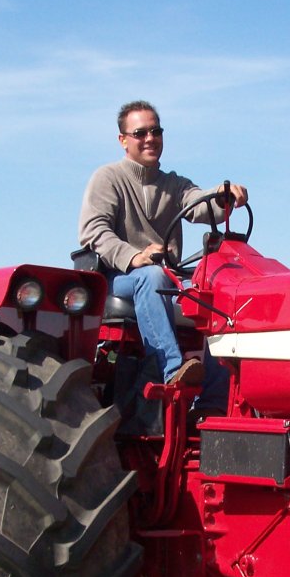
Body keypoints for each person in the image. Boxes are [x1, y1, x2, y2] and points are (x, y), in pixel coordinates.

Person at [78, 100, 247, 410]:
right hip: (119, 278)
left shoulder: (173, 184)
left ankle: (215, 402)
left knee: (216, 293)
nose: (150, 139)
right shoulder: (108, 178)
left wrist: (221, 197)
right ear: (123, 140)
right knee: (152, 277)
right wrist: (133, 256)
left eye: (155, 131)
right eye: (140, 133)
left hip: (166, 278)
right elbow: (93, 231)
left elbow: (198, 203)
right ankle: (172, 371)